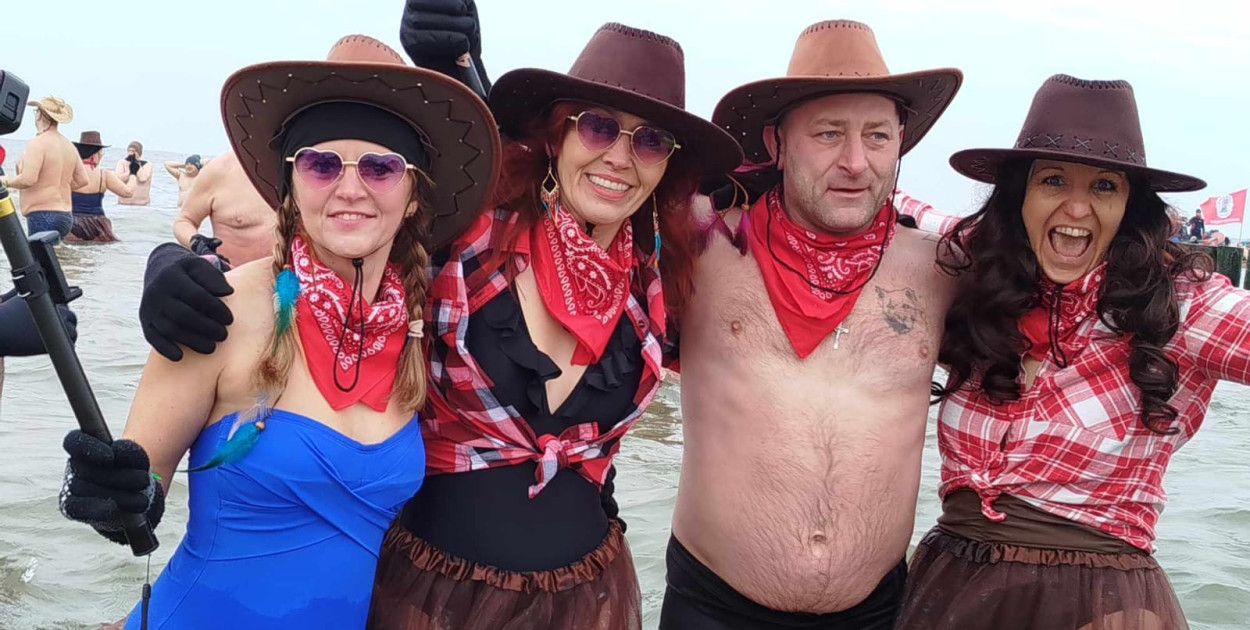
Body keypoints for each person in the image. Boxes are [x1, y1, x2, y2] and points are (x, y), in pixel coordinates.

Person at [56, 34, 500, 629]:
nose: (350, 189)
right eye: (321, 164)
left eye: (380, 167)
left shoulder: (426, 328)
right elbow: (138, 493)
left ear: (414, 194)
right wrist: (105, 493)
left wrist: (468, 63)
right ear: (291, 184)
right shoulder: (217, 308)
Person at [367, 22, 740, 630]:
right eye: (598, 126)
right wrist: (202, 272)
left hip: (589, 597)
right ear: (557, 135)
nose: (619, 157)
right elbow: (337, 242)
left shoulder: (656, 285)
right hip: (432, 596)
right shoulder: (461, 240)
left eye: (649, 141)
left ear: (666, 166)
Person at [899, 75, 1250, 630]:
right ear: (1020, 196)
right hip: (950, 589)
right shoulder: (979, 275)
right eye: (1053, 180)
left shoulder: (1181, 306)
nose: (1078, 206)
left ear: (1130, 206)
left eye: (1105, 186)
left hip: (1101, 604)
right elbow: (894, 208)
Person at [653, 21, 962, 629]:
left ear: (900, 141)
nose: (855, 161)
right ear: (777, 141)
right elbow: (574, 215)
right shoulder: (700, 245)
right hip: (712, 605)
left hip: (875, 611)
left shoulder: (942, 270)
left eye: (877, 136)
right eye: (828, 133)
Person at [0, 96, 88, 241]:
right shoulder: (69, 145)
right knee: (52, 254)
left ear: (39, 114)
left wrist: (4, 181)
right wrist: (55, 185)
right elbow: (83, 180)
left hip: (43, 214)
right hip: (65, 216)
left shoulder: (38, 143)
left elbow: (28, 179)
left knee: (38, 255)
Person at [172, 150, 277, 267]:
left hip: (288, 276)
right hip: (230, 275)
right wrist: (198, 244)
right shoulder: (218, 170)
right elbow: (184, 221)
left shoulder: (292, 171)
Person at [67, 131, 134, 243]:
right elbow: (127, 193)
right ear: (96, 154)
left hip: (72, 222)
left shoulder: (70, 172)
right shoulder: (104, 175)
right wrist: (133, 175)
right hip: (98, 225)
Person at [115, 141, 155, 206]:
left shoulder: (147, 165)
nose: (130, 153)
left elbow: (142, 178)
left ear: (139, 153)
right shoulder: (122, 163)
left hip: (141, 204)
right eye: (129, 151)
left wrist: (137, 165)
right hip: (123, 204)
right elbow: (118, 179)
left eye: (133, 151)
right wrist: (130, 170)